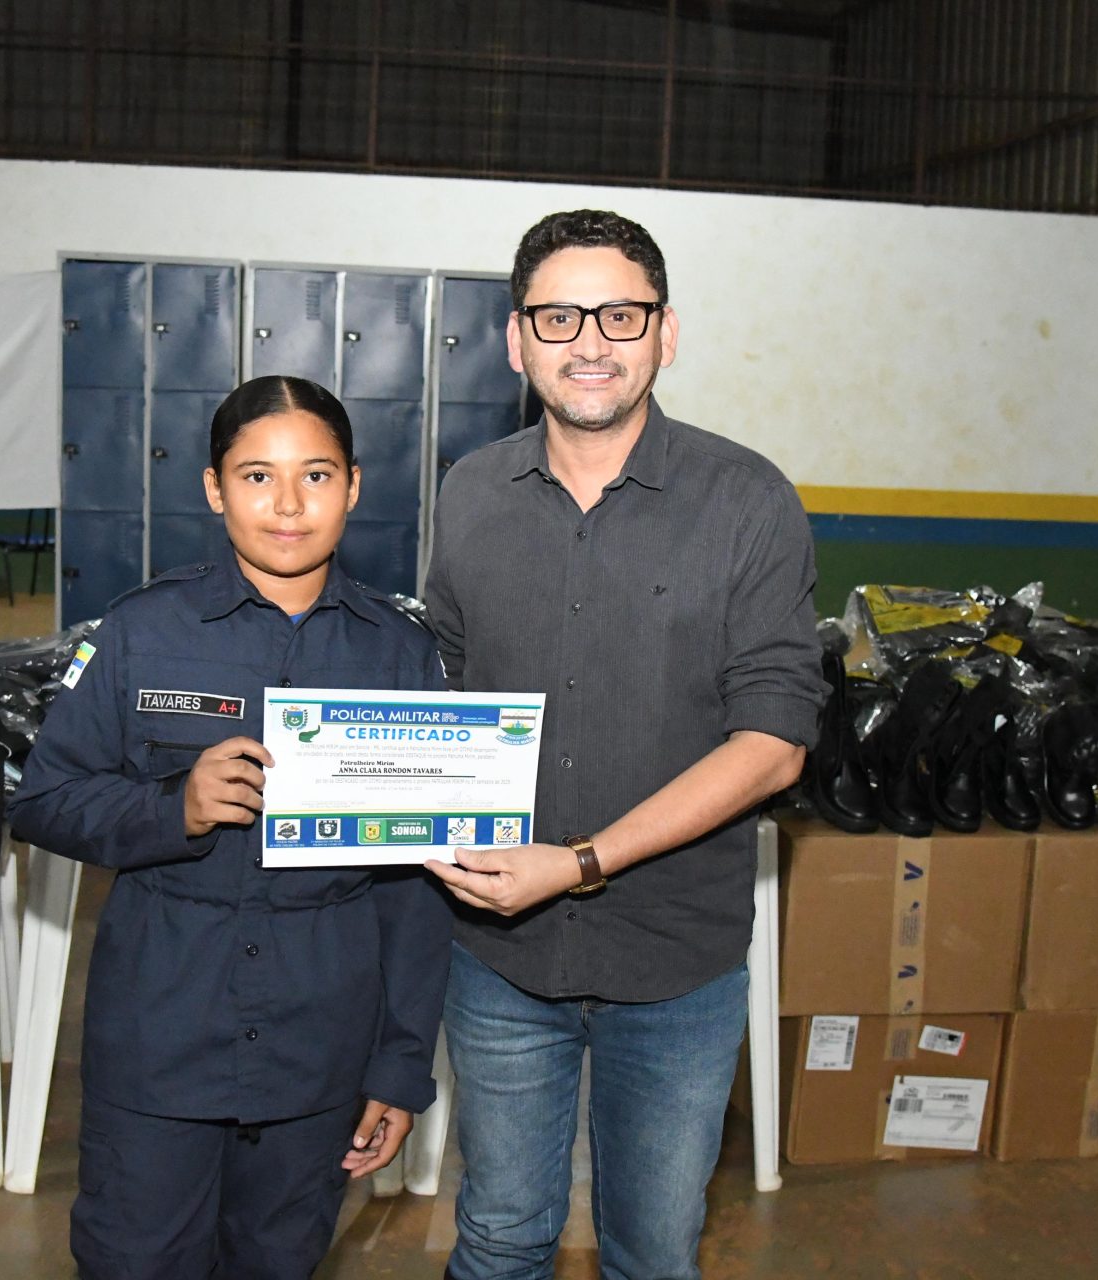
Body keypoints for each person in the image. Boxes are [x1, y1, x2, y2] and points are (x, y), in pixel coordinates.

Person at [422, 211, 824, 1280]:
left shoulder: (748, 500)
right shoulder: (470, 493)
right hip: (499, 954)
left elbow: (774, 742)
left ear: (666, 334)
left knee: (653, 1250)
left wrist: (578, 862)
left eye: (620, 315)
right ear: (517, 340)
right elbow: (442, 690)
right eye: (559, 316)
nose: (590, 341)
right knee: (498, 1238)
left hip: (674, 962)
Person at [8, 374, 450, 1280]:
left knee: (278, 1261)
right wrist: (173, 807)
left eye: (316, 476)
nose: (288, 505)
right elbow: (45, 798)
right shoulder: (139, 632)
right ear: (214, 489)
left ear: (354, 487)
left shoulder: (399, 655)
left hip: (317, 1053)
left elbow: (416, 888)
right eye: (257, 476)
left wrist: (400, 1066)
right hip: (160, 1041)